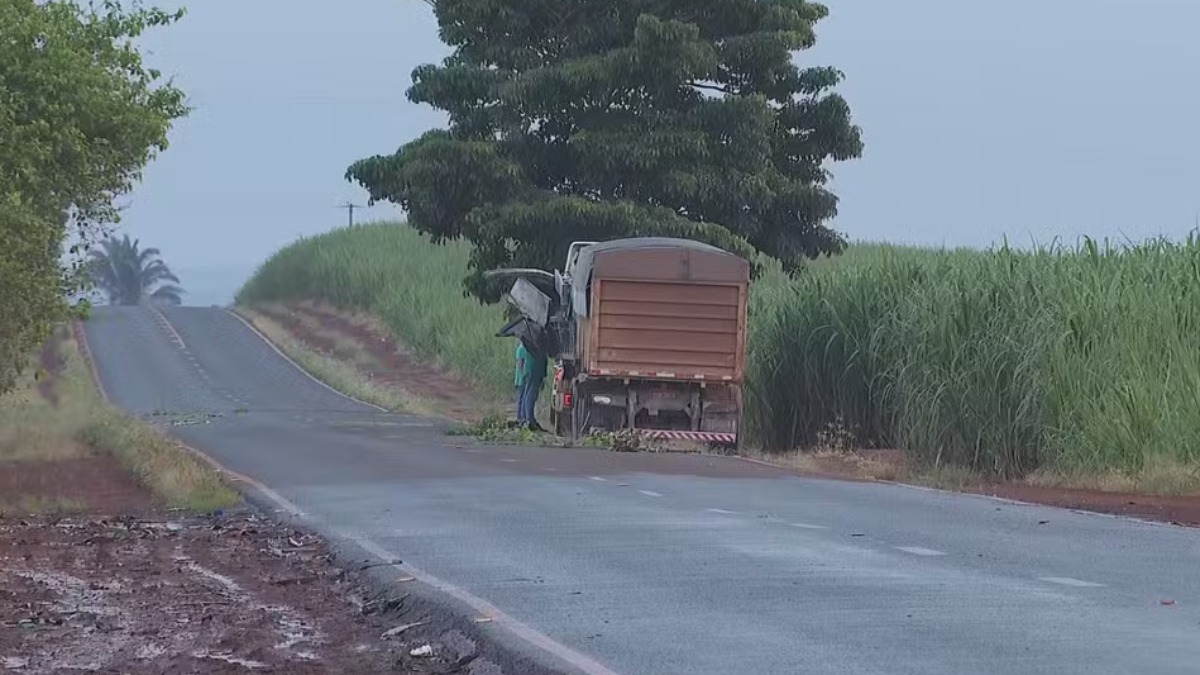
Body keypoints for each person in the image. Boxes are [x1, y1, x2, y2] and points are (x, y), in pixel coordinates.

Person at [514, 340, 548, 432]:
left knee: (526, 396)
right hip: (534, 373)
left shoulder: (528, 348)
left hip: (530, 373)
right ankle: (528, 419)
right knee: (530, 397)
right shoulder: (535, 349)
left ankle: (525, 418)